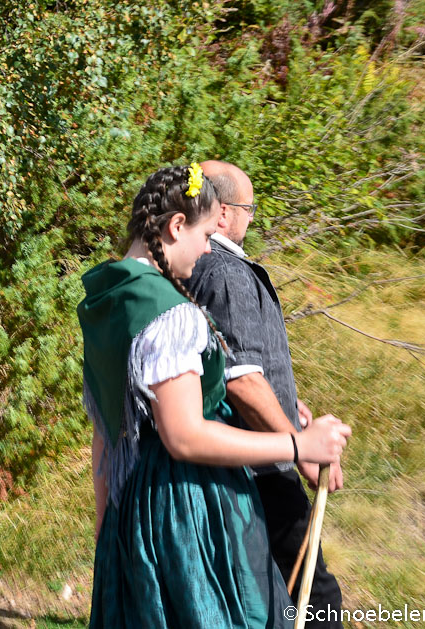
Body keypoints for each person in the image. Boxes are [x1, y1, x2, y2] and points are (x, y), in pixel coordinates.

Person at [78, 164, 351, 628]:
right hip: (188, 510)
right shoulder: (169, 313)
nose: (208, 249)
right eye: (205, 234)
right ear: (176, 226)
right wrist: (299, 445)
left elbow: (107, 435)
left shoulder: (109, 300)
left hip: (133, 512)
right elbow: (184, 436)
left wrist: (110, 529)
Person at [185, 160, 345, 626]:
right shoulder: (225, 273)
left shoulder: (196, 265)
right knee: (316, 600)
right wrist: (302, 449)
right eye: (248, 208)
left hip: (243, 457)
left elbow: (229, 367)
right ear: (221, 215)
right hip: (258, 469)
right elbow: (240, 380)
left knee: (264, 595)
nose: (251, 218)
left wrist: (282, 400)